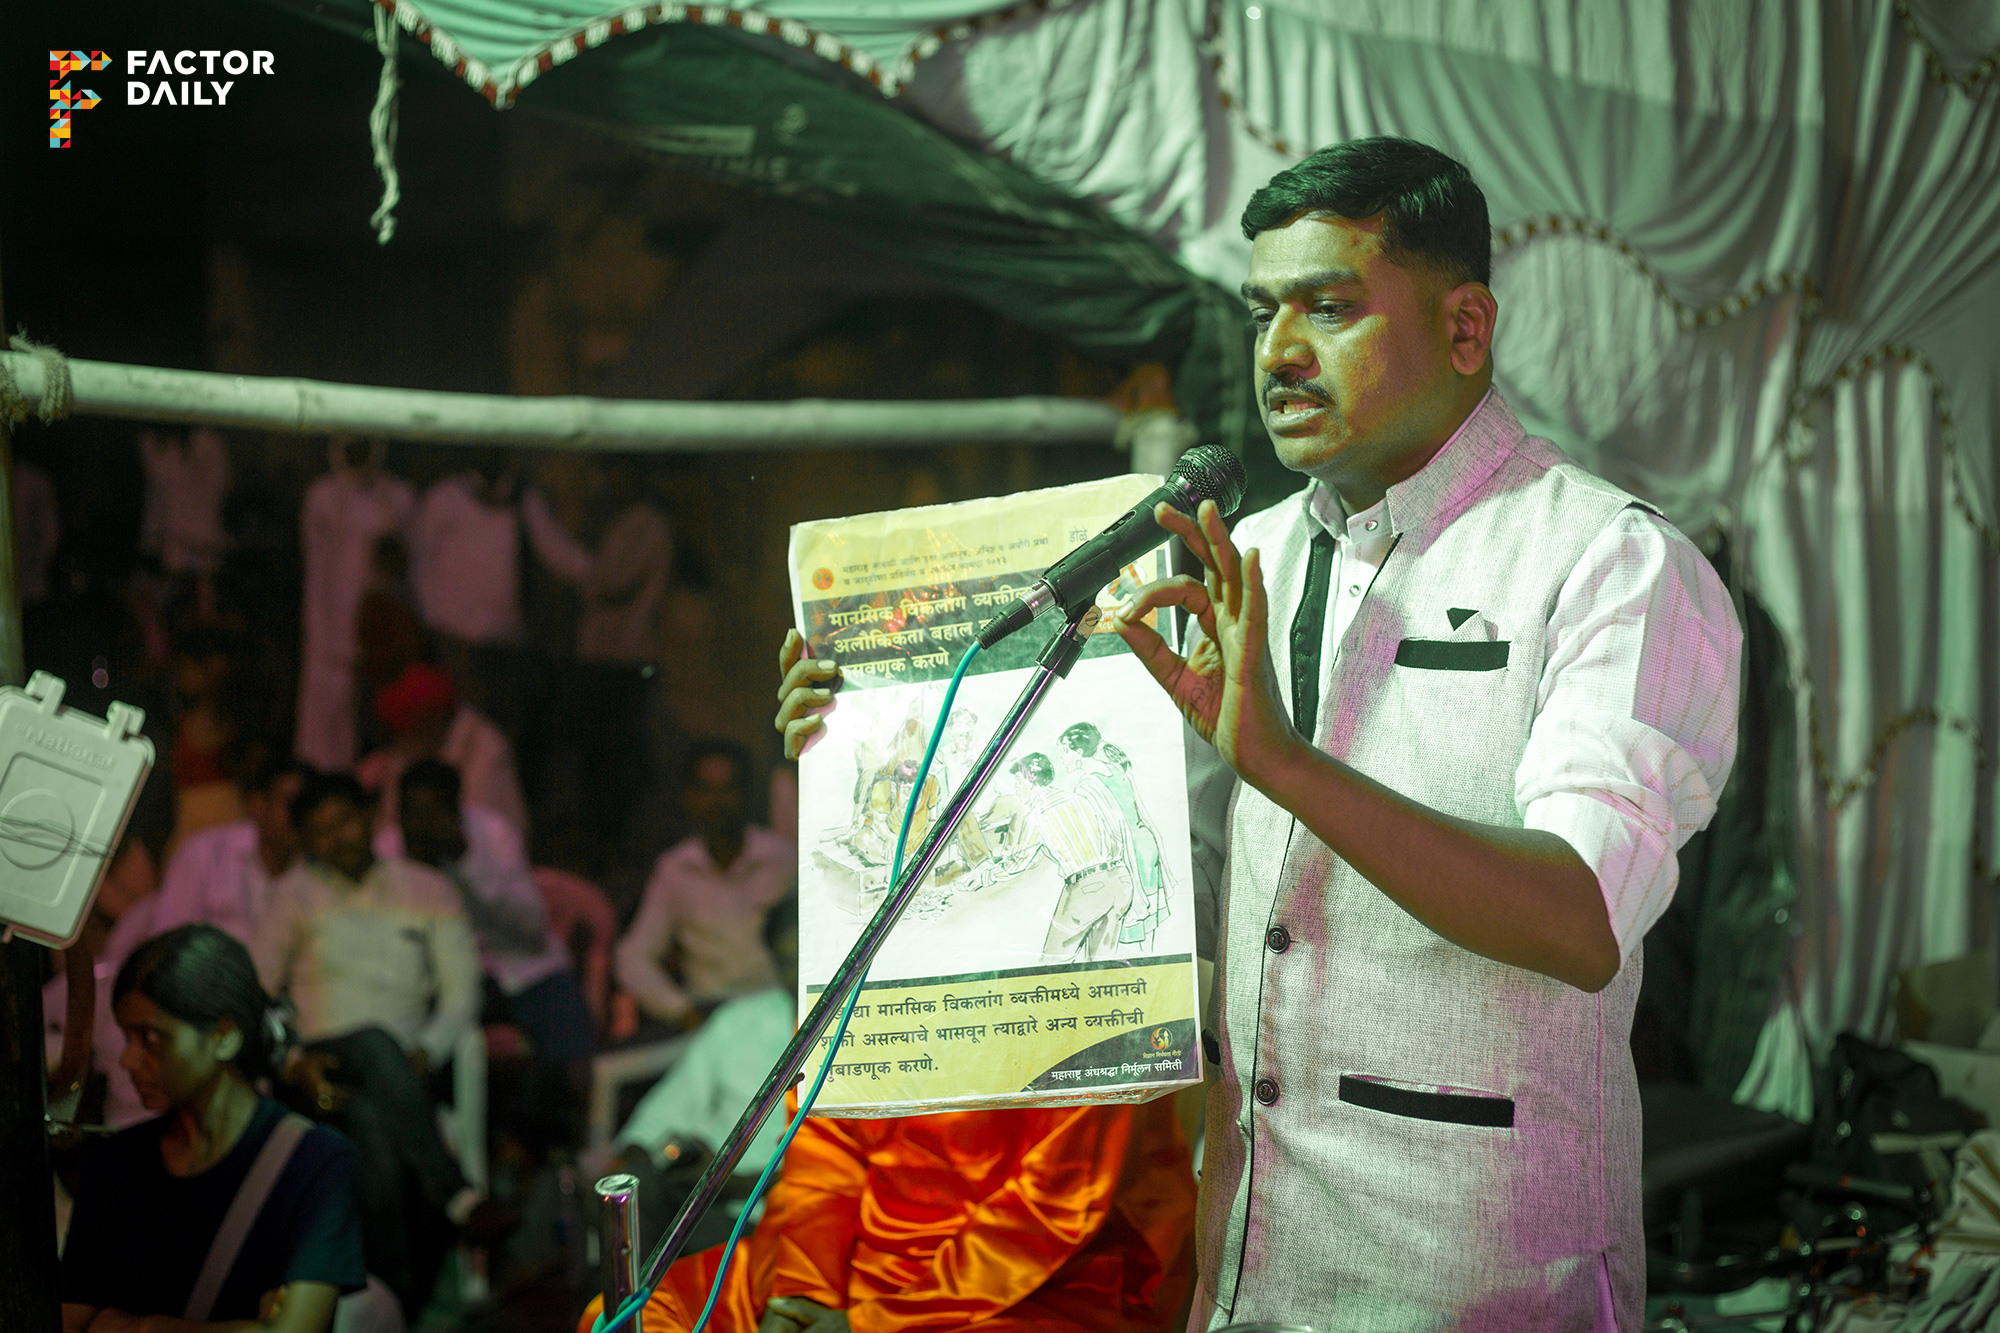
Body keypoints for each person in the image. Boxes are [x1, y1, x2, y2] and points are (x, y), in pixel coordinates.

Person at [781, 138, 1743, 1330]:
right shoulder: (1252, 557)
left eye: (1328, 308)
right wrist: (868, 756)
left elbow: (1582, 919)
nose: (1277, 353)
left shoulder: (1608, 563)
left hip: (1473, 1279)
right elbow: (1109, 883)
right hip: (1245, 1263)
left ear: (1464, 329)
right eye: (1261, 311)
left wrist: (1287, 768)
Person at [251, 770, 502, 1316]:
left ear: (367, 818)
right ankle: (456, 1194)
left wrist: (429, 1050)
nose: (337, 838)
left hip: (404, 1071)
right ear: (304, 841)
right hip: (318, 1071)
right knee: (370, 1042)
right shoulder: (290, 896)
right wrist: (293, 1061)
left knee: (372, 1127)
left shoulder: (426, 889)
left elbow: (462, 993)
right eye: (320, 832)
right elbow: (258, 996)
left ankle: (392, 1304)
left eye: (345, 822)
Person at [62, 924, 366, 1333]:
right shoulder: (115, 1166)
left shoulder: (314, 1164)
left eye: (151, 1038)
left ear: (224, 1037)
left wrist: (137, 1327)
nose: (128, 1061)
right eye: (126, 1037)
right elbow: (72, 1323)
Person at [389, 758, 595, 1112]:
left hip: (525, 967)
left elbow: (532, 926)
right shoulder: (388, 852)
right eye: (413, 814)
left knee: (574, 1057)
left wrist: (465, 863)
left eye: (432, 813)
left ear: (456, 809)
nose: (422, 825)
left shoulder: (492, 833)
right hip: (446, 981)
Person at [601, 896, 801, 1255]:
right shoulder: (742, 1020)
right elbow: (665, 1112)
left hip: (775, 1213)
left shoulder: (867, 1030)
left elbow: (837, 1168)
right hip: (703, 1195)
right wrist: (631, 1165)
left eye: (807, 945)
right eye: (788, 951)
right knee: (629, 1199)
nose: (800, 962)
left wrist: (729, 1183)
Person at [616, 739, 795, 1032]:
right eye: (706, 791)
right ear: (690, 796)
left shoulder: (783, 859)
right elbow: (633, 956)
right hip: (712, 1020)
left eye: (728, 790)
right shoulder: (675, 869)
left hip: (781, 1010)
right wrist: (680, 1010)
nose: (717, 802)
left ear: (747, 794)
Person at [358, 660, 528, 837]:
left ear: (431, 720)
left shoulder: (484, 744)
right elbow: (389, 823)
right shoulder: (409, 751)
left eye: (413, 732)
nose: (406, 741)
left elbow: (480, 819)